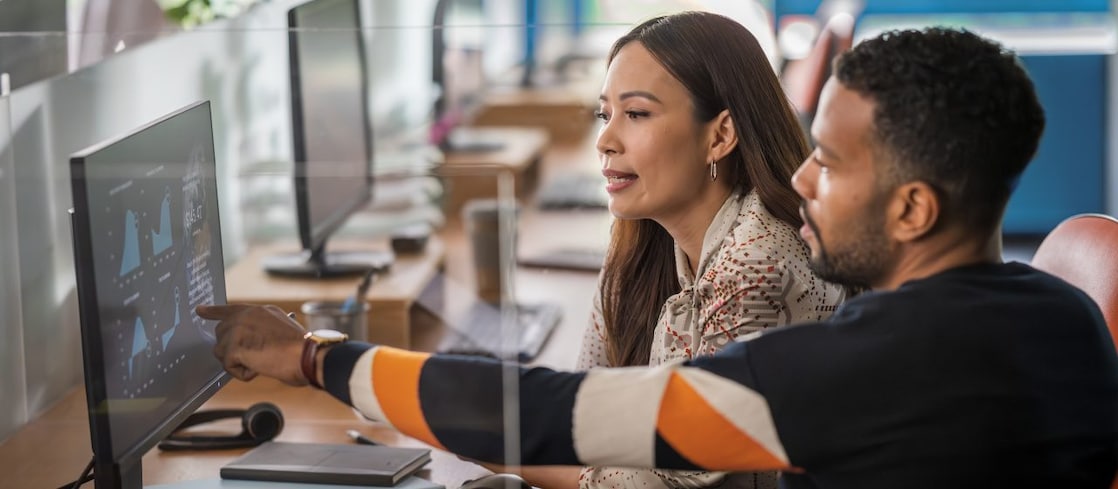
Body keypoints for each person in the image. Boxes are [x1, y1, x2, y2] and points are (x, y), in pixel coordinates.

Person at [202, 27, 1118, 487]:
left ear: (914, 208)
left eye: (830, 164)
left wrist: (313, 356)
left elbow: (560, 418)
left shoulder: (867, 370)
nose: (799, 176)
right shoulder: (1062, 317)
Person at [575, 11, 847, 489]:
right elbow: (584, 404)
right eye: (605, 114)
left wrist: (498, 445)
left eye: (636, 114)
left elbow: (674, 482)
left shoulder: (756, 262)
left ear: (720, 135)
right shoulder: (648, 234)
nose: (605, 140)